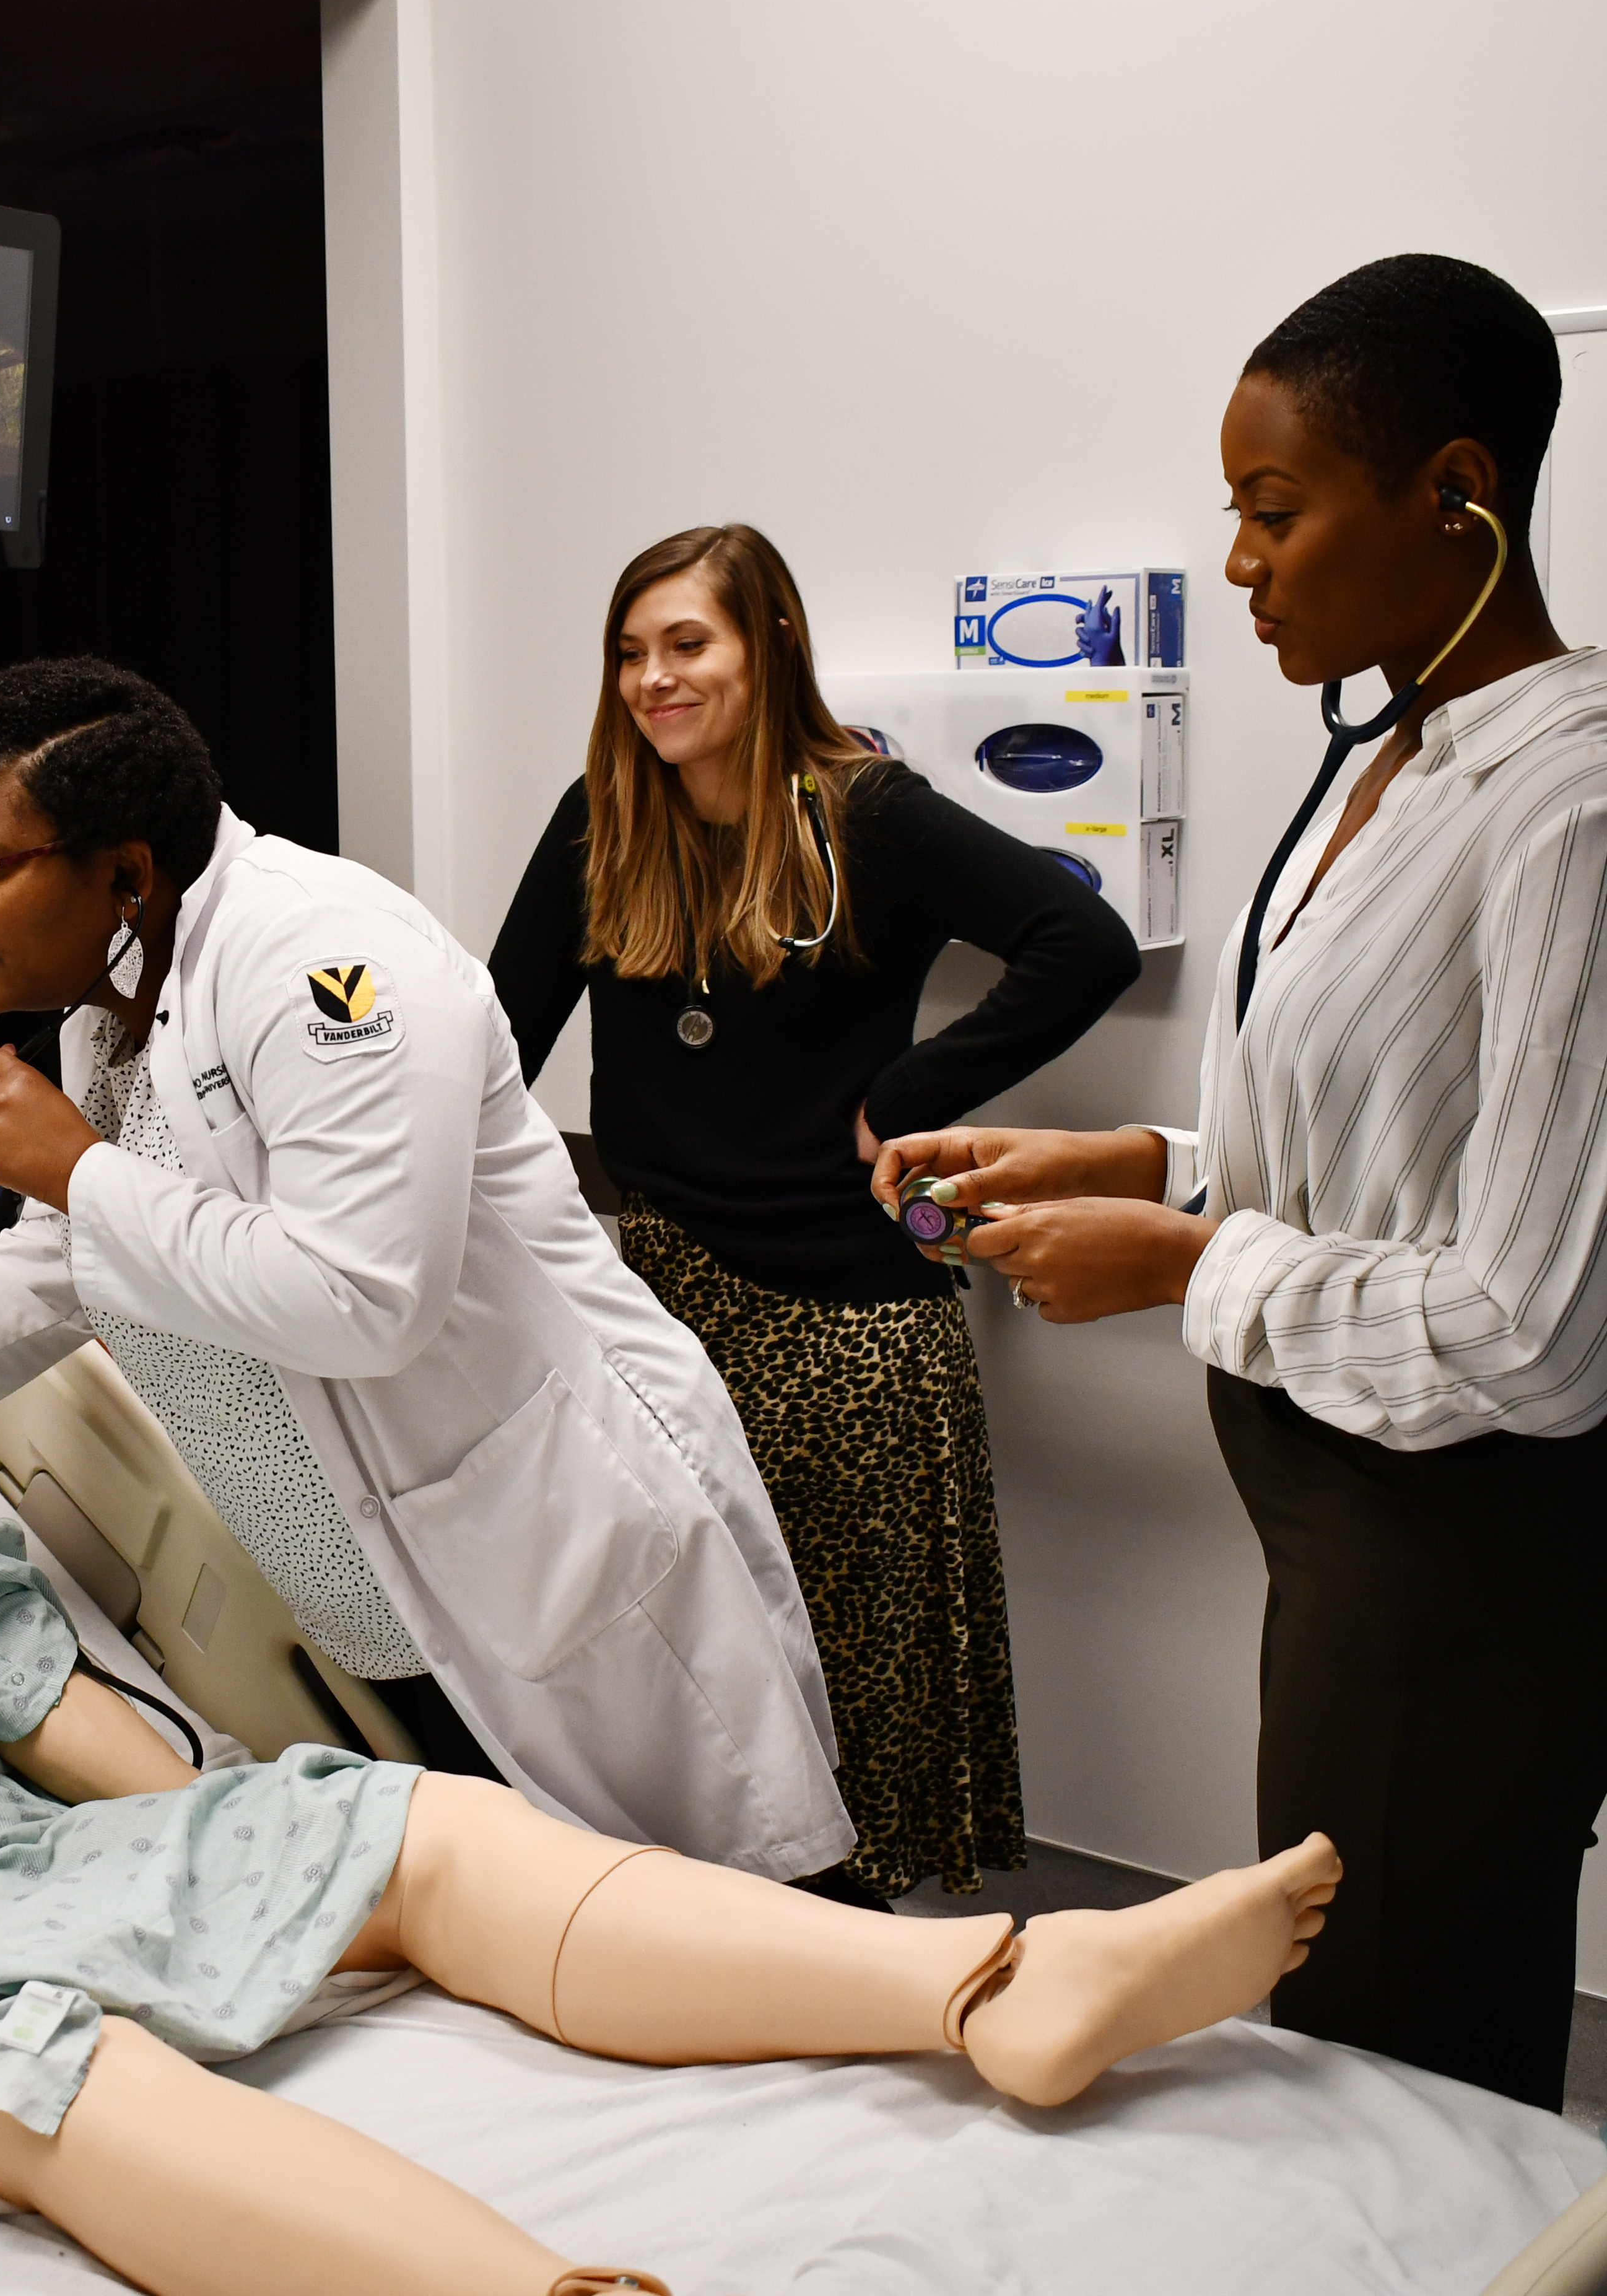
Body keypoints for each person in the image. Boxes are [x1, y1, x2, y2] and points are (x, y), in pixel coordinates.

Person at [0, 1103, 1348, 2296]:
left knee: (414, 1826)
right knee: (45, 2065)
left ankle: (992, 1988)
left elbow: (10, 1674)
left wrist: (244, 1826)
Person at [868, 254, 1607, 2110]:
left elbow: (1537, 1329)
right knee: (1376, 2030)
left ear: (1457, 499)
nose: (1243, 562)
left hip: (1488, 1568)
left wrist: (1185, 1261)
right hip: (1373, 1536)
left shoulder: (1582, 817)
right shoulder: (1404, 763)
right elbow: (1388, 1157)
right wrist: (1131, 1159)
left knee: (1399, 2078)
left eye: (1275, 512)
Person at [0, 658, 854, 1882]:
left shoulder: (328, 964)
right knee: (574, 1948)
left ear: (127, 871)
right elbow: (62, 1266)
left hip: (542, 1547)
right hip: (384, 1597)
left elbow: (365, 1297)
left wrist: (82, 1169)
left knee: (760, 1915)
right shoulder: (113, 991)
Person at [487, 525, 1139, 1904]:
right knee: (694, 1704)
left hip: (849, 1334)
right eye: (629, 653)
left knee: (845, 1726)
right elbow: (490, 1039)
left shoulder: (868, 813)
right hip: (659, 1307)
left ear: (767, 643)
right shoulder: (602, 819)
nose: (653, 680)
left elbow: (1085, 942)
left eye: (686, 644)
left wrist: (915, 1085)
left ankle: (870, 2011)